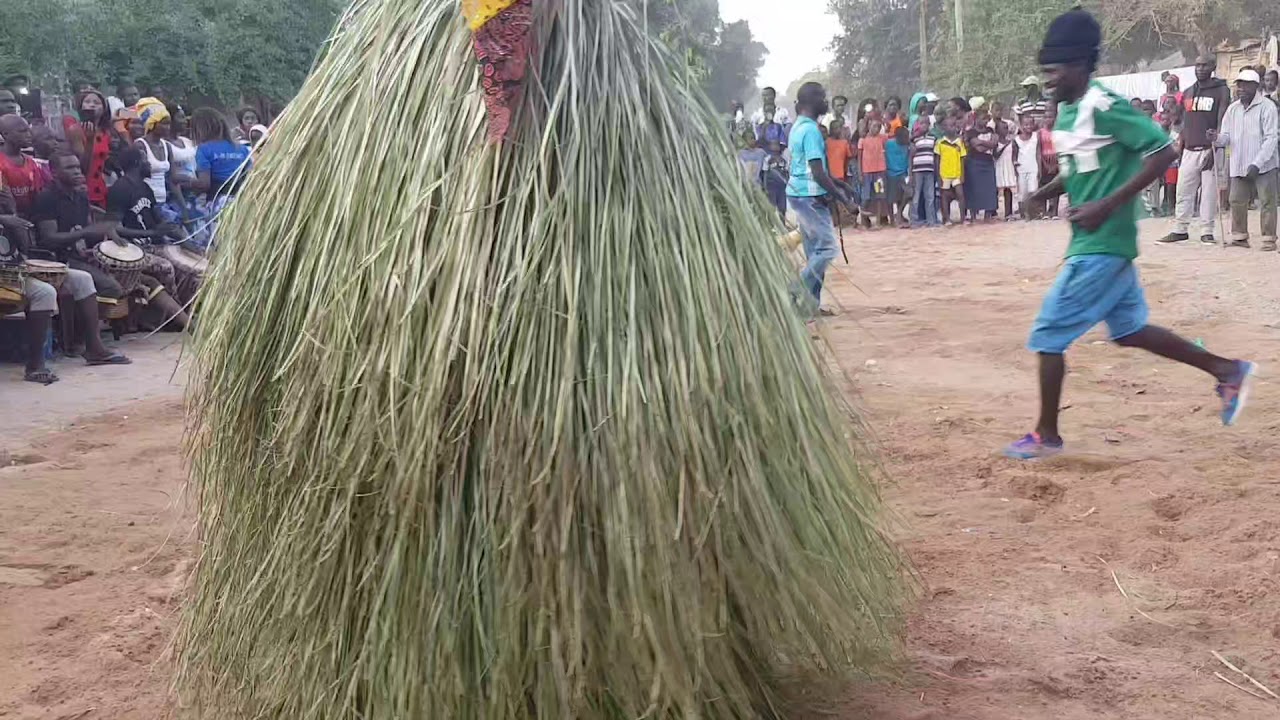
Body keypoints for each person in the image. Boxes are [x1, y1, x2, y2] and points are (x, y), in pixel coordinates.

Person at [1005, 8, 1255, 460]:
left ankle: (1047, 435)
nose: (1048, 79)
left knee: (1047, 335)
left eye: (1054, 70)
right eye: (1044, 70)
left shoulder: (1104, 105)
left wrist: (1106, 204)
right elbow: (1083, 168)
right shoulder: (1068, 113)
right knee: (1129, 330)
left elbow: (1162, 151)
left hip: (1102, 243)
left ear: (1081, 64)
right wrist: (1041, 193)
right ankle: (1226, 369)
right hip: (1096, 242)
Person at [2, 180, 130, 382]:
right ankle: (35, 365)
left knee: (83, 279)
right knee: (44, 292)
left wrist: (12, 221)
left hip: (14, 266)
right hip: (5, 274)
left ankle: (94, 348)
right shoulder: (42, 200)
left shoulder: (9, 214)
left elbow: (23, 247)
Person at [106, 147, 196, 322]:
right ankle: (171, 319)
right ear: (137, 164)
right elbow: (115, 228)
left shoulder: (145, 187)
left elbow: (155, 218)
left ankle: (185, 311)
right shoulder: (120, 189)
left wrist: (168, 227)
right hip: (133, 248)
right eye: (146, 161)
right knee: (165, 267)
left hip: (153, 244)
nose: (150, 165)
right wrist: (153, 232)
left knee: (190, 266)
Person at [787, 82, 851, 314]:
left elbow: (811, 166)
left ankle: (810, 306)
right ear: (812, 101)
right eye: (823, 97)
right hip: (810, 196)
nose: (826, 101)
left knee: (815, 252)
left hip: (797, 194)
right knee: (827, 249)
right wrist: (841, 197)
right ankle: (794, 290)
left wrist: (837, 183)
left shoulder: (798, 127)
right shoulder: (812, 131)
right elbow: (816, 171)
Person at [1161, 54, 1231, 245]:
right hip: (1190, 149)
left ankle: (1206, 230)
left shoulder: (1221, 90)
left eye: (1204, 65)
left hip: (1210, 148)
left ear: (1213, 67)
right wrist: (1181, 144)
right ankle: (1180, 228)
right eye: (1197, 65)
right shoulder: (1189, 91)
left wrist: (1216, 148)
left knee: (1208, 194)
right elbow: (1183, 122)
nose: (1200, 68)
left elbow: (1222, 120)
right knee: (1184, 190)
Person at [1212, 68, 1279, 250]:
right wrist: (1216, 138)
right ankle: (1240, 236)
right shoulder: (1232, 109)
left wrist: (1257, 163)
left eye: (1245, 85)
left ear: (1256, 86)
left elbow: (1271, 138)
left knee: (1267, 201)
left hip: (1264, 165)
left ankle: (1268, 239)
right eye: (1239, 85)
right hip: (1239, 161)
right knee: (1236, 200)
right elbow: (1226, 136)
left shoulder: (1267, 107)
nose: (1240, 88)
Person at [191, 108, 252, 248]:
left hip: (218, 202)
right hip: (241, 201)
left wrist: (183, 181)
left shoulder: (204, 149)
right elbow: (249, 176)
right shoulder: (242, 149)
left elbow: (204, 184)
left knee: (220, 245)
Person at [62, 89, 126, 208]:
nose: (91, 105)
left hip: (101, 187)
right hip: (84, 187)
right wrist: (90, 140)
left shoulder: (105, 132)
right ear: (81, 107)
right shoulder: (75, 130)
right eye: (87, 102)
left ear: (103, 108)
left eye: (96, 103)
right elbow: (83, 167)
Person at [133, 98, 182, 222]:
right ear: (152, 123)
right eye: (164, 123)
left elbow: (172, 180)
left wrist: (183, 208)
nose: (168, 127)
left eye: (169, 123)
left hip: (163, 201)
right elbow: (135, 177)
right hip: (146, 203)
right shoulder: (140, 145)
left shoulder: (167, 146)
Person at [0, 114, 47, 217]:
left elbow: (38, 194)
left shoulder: (31, 162)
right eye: (22, 131)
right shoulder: (1, 163)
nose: (29, 134)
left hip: (31, 216)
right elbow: (5, 199)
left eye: (28, 130)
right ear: (5, 134)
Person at [963, 109, 998, 222]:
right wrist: (989, 144)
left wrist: (982, 142)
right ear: (976, 119)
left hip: (988, 162)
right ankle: (973, 214)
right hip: (974, 162)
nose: (985, 121)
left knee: (990, 188)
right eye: (983, 118)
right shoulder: (971, 132)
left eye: (987, 119)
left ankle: (988, 214)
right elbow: (977, 147)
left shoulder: (990, 130)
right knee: (974, 188)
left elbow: (993, 144)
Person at [936, 117, 967, 224]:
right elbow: (937, 160)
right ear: (944, 128)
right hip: (944, 174)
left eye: (954, 125)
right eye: (950, 125)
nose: (953, 128)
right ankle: (947, 218)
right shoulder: (940, 143)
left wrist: (962, 174)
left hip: (956, 174)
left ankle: (963, 218)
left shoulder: (959, 142)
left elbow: (962, 158)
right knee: (944, 196)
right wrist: (938, 176)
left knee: (960, 194)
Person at [858, 118, 889, 225]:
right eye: (874, 126)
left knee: (879, 196)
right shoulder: (862, 140)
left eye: (878, 127)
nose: (876, 129)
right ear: (869, 126)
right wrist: (860, 173)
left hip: (880, 171)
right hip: (867, 172)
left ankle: (878, 222)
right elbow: (859, 157)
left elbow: (891, 134)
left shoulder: (882, 138)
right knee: (865, 197)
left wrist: (886, 124)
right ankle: (863, 221)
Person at [910, 123, 938, 226]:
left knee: (930, 196)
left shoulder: (933, 138)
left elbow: (935, 155)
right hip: (917, 170)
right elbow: (911, 156)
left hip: (929, 169)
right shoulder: (914, 140)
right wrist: (911, 172)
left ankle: (931, 220)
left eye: (925, 123)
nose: (924, 126)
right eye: (921, 123)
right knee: (916, 196)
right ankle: (914, 220)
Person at [1014, 113, 1040, 218]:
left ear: (1034, 125)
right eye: (1025, 124)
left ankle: (1032, 212)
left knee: (1033, 190)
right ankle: (1022, 212)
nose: (1028, 127)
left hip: (1033, 168)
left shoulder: (1036, 137)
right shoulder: (1016, 140)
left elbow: (1038, 153)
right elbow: (1014, 156)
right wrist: (1015, 166)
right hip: (1021, 169)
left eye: (1030, 124)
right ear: (1020, 125)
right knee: (1022, 192)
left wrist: (1039, 168)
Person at [886, 125, 911, 226]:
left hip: (903, 174)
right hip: (890, 173)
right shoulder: (888, 144)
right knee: (890, 198)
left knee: (907, 194)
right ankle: (892, 219)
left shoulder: (907, 146)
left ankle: (899, 213)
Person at [993, 119, 1017, 220]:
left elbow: (1015, 154)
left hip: (1008, 166)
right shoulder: (995, 143)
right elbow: (995, 155)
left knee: (1008, 189)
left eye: (1007, 128)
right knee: (996, 190)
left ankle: (1008, 213)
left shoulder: (1011, 142)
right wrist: (1004, 146)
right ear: (997, 130)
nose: (1006, 130)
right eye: (1003, 128)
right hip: (998, 166)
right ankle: (992, 211)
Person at [1038, 106, 1060, 219]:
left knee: (1055, 186)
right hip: (1044, 161)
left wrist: (1056, 164)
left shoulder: (1058, 131)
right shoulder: (1040, 132)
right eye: (1046, 117)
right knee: (1044, 185)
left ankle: (1054, 211)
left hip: (1056, 160)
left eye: (1051, 117)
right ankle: (1044, 211)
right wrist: (1045, 164)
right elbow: (1039, 149)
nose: (1048, 119)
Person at [762, 139, 789, 222]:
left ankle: (783, 224)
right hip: (771, 187)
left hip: (782, 187)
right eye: (773, 145)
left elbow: (786, 172)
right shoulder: (768, 159)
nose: (776, 147)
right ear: (770, 146)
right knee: (771, 207)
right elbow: (765, 173)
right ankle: (771, 225)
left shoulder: (783, 159)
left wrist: (787, 183)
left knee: (782, 207)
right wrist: (765, 187)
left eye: (777, 145)